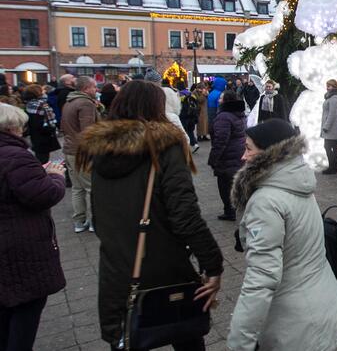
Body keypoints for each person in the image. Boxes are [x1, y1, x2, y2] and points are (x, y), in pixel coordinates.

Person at [75, 81, 223, 350]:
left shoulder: (100, 149)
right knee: (185, 334)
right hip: (165, 265)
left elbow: (99, 217)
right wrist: (212, 264)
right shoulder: (164, 145)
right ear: (157, 108)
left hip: (118, 267)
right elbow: (185, 214)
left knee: (129, 336)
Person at [227, 118, 337, 350]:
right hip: (326, 306)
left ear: (268, 155)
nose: (243, 156)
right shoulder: (298, 183)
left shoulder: (266, 200)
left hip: (295, 327)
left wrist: (238, 342)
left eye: (248, 149)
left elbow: (261, 279)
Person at [0, 103, 66, 351]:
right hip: (19, 248)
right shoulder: (15, 156)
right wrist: (55, 177)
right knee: (24, 317)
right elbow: (44, 195)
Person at [61, 76, 101, 233]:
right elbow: (88, 130)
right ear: (86, 89)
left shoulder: (69, 102)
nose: (96, 90)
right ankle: (93, 221)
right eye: (94, 87)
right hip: (83, 151)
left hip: (70, 149)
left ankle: (79, 221)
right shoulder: (85, 103)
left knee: (77, 188)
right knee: (91, 187)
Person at [208, 90, 246, 221]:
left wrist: (213, 159)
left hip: (227, 156)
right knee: (235, 183)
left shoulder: (224, 117)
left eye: (221, 98)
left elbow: (220, 140)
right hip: (239, 154)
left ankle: (229, 212)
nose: (218, 100)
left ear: (226, 101)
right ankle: (238, 208)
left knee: (224, 186)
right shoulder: (239, 114)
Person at [21, 84, 61, 164]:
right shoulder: (42, 105)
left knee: (40, 156)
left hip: (35, 136)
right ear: (37, 93)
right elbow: (47, 123)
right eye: (42, 90)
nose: (44, 91)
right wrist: (52, 128)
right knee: (43, 159)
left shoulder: (29, 104)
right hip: (44, 136)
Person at [321, 79, 337, 175]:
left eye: (329, 86)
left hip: (331, 127)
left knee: (329, 146)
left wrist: (326, 126)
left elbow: (332, 114)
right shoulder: (331, 97)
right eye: (327, 86)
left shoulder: (334, 98)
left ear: (334, 87)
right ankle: (335, 166)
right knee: (333, 146)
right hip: (332, 127)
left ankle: (332, 167)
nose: (327, 88)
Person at [180, 85, 201, 152]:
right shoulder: (191, 95)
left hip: (184, 117)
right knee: (190, 131)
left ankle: (185, 147)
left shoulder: (179, 95)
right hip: (192, 116)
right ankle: (195, 144)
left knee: (184, 131)